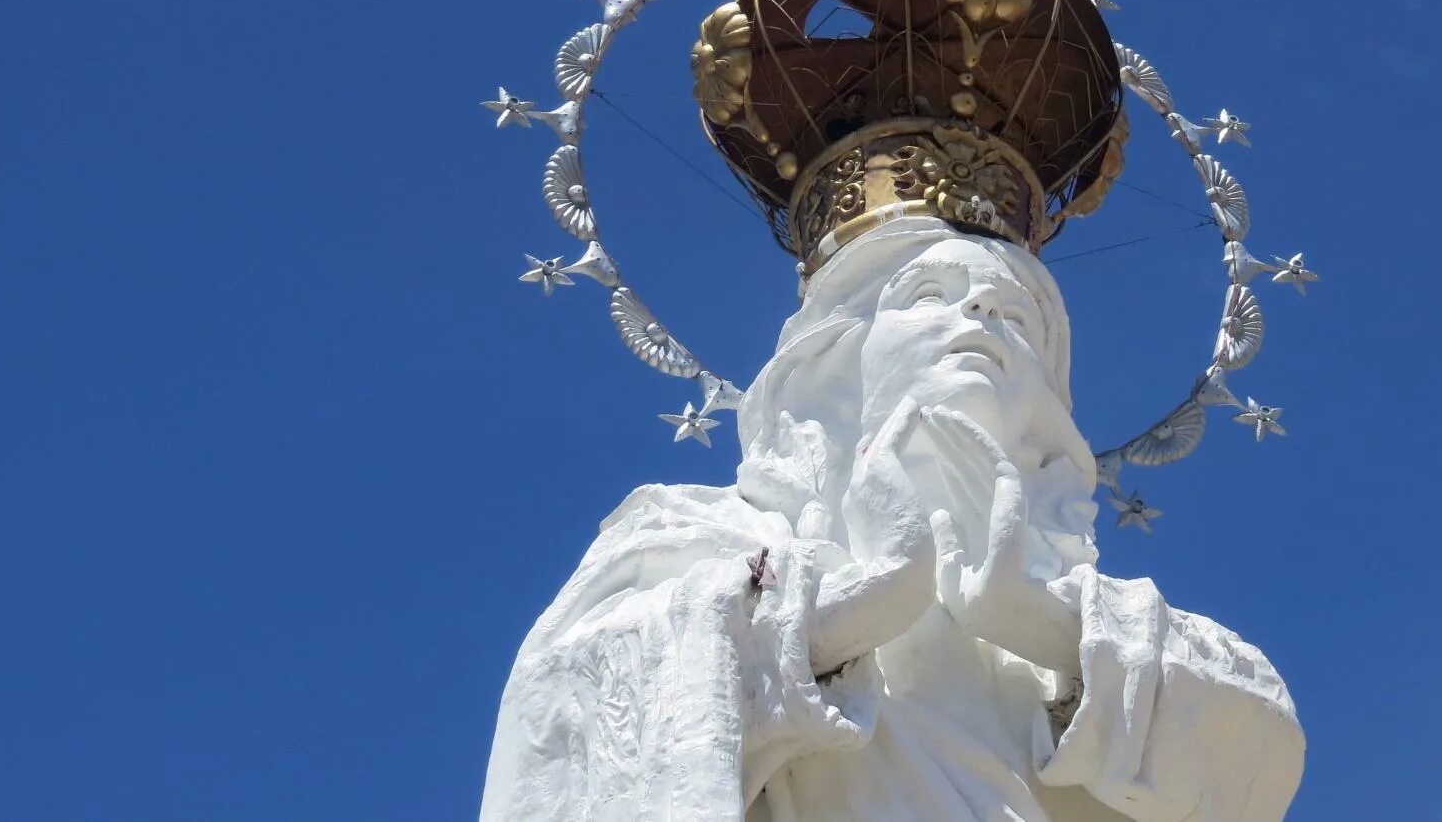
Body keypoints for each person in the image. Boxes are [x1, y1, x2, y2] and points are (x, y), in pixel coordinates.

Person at [480, 217, 1304, 821]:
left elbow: (1261, 752)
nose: (980, 315)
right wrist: (855, 610)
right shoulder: (704, 542)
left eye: (1014, 318)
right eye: (930, 296)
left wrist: (1033, 618)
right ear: (844, 358)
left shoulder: (1099, 626)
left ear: (1044, 410)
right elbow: (564, 722)